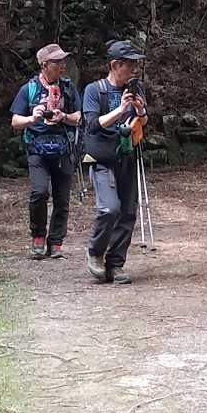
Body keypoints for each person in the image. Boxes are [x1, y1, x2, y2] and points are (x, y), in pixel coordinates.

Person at [81, 40, 146, 283]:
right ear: (115, 65)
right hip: (102, 159)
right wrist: (120, 110)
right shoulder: (94, 90)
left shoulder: (135, 89)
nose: (133, 70)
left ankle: (116, 265)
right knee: (109, 208)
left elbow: (143, 121)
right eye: (129, 65)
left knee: (128, 213)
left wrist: (139, 111)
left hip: (127, 156)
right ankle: (95, 253)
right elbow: (92, 125)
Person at [10, 44, 82, 259]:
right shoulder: (29, 89)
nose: (62, 65)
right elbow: (15, 121)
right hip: (37, 149)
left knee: (62, 198)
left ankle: (56, 242)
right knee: (39, 192)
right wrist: (32, 118)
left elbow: (79, 117)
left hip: (64, 148)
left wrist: (63, 116)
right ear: (44, 65)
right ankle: (38, 236)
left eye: (62, 61)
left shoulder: (68, 88)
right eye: (56, 62)